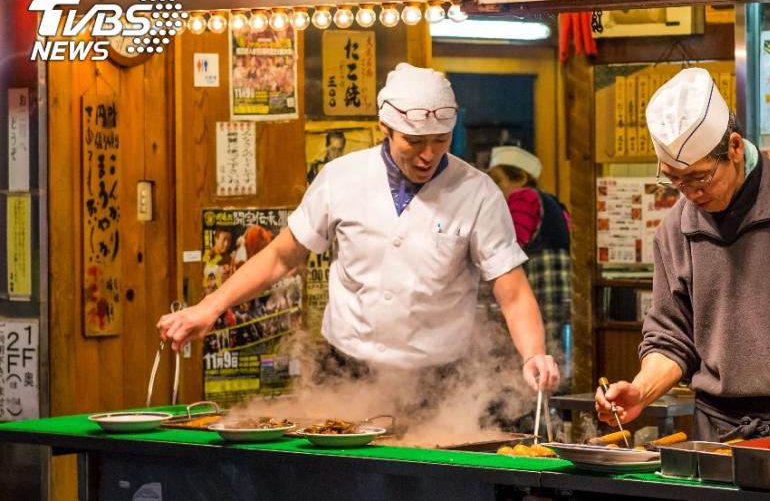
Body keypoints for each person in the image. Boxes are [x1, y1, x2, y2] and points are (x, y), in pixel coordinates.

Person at [158, 62, 559, 395]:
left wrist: (533, 354)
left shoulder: (477, 191)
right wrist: (209, 307)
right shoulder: (341, 177)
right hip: (346, 368)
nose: (428, 154)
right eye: (414, 141)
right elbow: (281, 257)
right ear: (385, 128)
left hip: (439, 379)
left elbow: (513, 292)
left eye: (440, 141)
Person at [595, 67, 770, 441]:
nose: (689, 193)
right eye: (673, 179)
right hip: (717, 432)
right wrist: (641, 391)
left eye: (699, 177)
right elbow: (671, 337)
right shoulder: (675, 229)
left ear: (735, 148)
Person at [488, 146, 572, 390]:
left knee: (541, 339)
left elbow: (513, 241)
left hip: (542, 278)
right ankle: (554, 393)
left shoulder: (523, 196)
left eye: (498, 180)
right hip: (563, 281)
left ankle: (541, 395)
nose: (494, 187)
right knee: (553, 343)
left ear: (521, 178)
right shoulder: (553, 201)